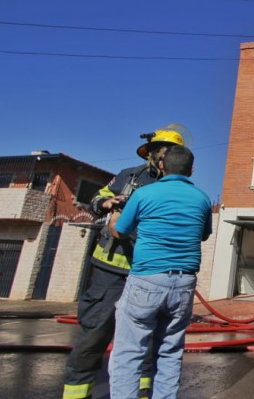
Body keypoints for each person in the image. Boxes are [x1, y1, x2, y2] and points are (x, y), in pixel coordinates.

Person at [64, 125, 186, 399]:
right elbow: (97, 198)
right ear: (152, 154)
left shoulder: (175, 186)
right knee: (95, 332)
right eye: (161, 151)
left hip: (148, 274)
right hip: (111, 271)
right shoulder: (128, 176)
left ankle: (142, 392)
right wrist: (109, 204)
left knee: (148, 339)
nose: (164, 157)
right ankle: (76, 392)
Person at [108, 144, 212, 399]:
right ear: (192, 170)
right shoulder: (202, 198)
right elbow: (205, 235)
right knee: (170, 352)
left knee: (128, 352)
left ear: (162, 165)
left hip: (146, 279)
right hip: (184, 284)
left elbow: (120, 231)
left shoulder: (144, 194)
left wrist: (113, 215)